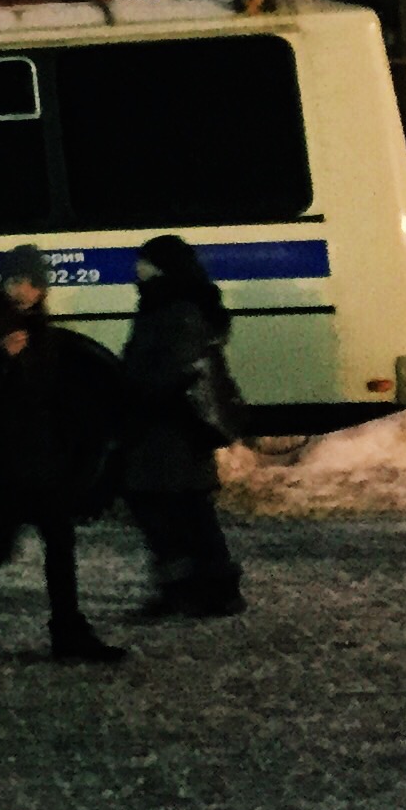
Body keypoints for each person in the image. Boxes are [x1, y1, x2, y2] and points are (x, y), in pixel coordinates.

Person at [0, 245, 128, 662]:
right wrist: (1, 359)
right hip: (6, 462)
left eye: (28, 281)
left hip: (34, 459)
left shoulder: (36, 327)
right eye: (14, 280)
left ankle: (69, 631)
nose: (21, 288)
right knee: (3, 546)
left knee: (51, 539)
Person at [120, 234, 248, 619]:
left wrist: (132, 391)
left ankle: (187, 591)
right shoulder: (175, 304)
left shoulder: (174, 310)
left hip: (167, 431)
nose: (137, 270)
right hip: (174, 432)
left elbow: (171, 373)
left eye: (144, 262)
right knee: (189, 512)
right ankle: (211, 590)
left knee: (163, 511)